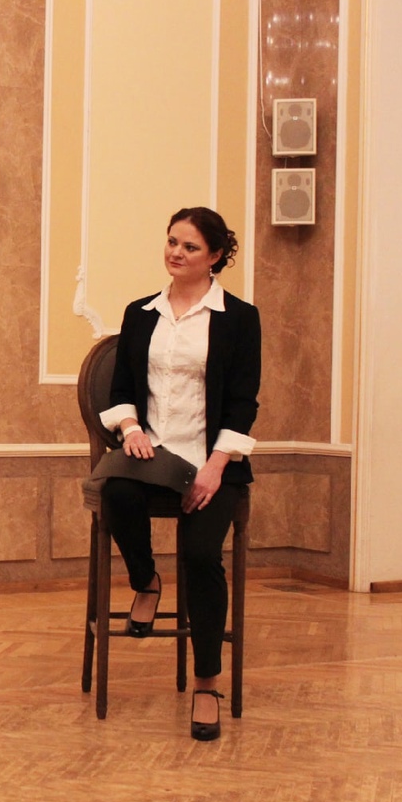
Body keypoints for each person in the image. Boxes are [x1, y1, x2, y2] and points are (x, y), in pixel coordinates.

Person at [98, 206, 260, 742]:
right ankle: (146, 581)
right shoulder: (140, 312)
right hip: (152, 454)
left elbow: (243, 402)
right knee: (116, 492)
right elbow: (122, 387)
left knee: (201, 556)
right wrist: (130, 428)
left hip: (212, 461)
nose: (176, 253)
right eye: (172, 241)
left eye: (189, 246)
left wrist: (216, 466)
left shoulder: (240, 318)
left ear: (215, 256)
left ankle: (207, 685)